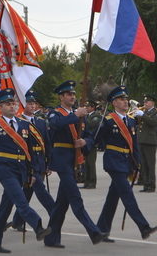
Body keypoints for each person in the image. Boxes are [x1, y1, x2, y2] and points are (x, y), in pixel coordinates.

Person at [0, 88, 52, 253]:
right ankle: (38, 227)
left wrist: (30, 173)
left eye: (13, 103)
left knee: (4, 208)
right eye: (7, 104)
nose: (12, 106)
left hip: (21, 169)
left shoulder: (24, 125)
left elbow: (29, 151)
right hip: (4, 169)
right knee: (21, 200)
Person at [44, 80, 105, 248]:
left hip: (73, 159)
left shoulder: (78, 115)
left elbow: (90, 135)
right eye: (69, 94)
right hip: (62, 159)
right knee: (75, 199)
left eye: (73, 94)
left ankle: (51, 238)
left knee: (61, 204)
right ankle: (93, 231)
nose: (72, 96)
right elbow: (55, 125)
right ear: (61, 97)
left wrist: (85, 142)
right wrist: (75, 115)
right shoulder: (54, 113)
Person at [95, 86, 157, 242]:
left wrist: (137, 164)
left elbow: (134, 145)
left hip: (125, 162)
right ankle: (143, 227)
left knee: (113, 198)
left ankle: (100, 230)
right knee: (127, 195)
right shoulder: (108, 120)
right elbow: (97, 138)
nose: (125, 102)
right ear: (114, 103)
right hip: (113, 162)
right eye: (122, 100)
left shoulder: (130, 120)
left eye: (125, 99)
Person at [11, 89, 55, 232]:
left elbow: (47, 143)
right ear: (23, 105)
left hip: (40, 160)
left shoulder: (41, 122)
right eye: (29, 103)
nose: (32, 106)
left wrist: (48, 162)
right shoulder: (18, 122)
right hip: (28, 162)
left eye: (34, 103)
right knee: (41, 191)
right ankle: (55, 213)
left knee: (27, 192)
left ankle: (17, 221)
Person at [135, 94, 157, 193]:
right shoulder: (144, 112)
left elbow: (153, 122)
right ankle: (146, 184)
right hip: (142, 140)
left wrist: (143, 115)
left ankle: (151, 185)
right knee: (143, 164)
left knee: (150, 164)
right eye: (144, 101)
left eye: (147, 101)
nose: (145, 103)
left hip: (150, 141)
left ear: (153, 103)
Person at [83, 100, 102, 189]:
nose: (86, 108)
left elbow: (91, 125)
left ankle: (92, 182)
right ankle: (86, 182)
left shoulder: (96, 116)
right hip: (85, 142)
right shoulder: (87, 116)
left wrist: (83, 117)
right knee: (86, 163)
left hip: (92, 142)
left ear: (92, 108)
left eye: (88, 107)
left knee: (91, 163)